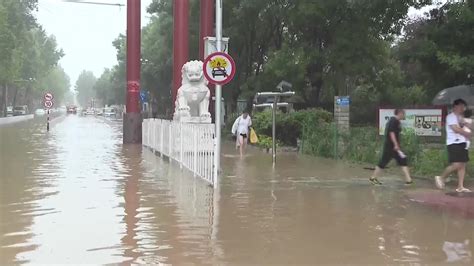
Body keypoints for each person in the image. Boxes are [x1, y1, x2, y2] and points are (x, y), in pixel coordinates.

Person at [435, 99, 472, 193]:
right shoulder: (450, 117)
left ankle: (460, 186)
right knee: (457, 164)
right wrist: (466, 133)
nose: (462, 108)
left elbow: (469, 127)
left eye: (463, 107)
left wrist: (465, 123)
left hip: (463, 143)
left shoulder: (461, 117)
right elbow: (455, 129)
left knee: (463, 164)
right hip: (454, 143)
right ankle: (441, 177)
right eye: (461, 106)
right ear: (455, 106)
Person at [370, 109, 413, 185]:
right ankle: (373, 178)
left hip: (395, 147)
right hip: (390, 147)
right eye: (403, 114)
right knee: (383, 162)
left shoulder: (396, 121)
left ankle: (408, 180)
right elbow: (391, 133)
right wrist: (396, 144)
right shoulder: (393, 121)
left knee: (403, 160)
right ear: (400, 113)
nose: (404, 116)